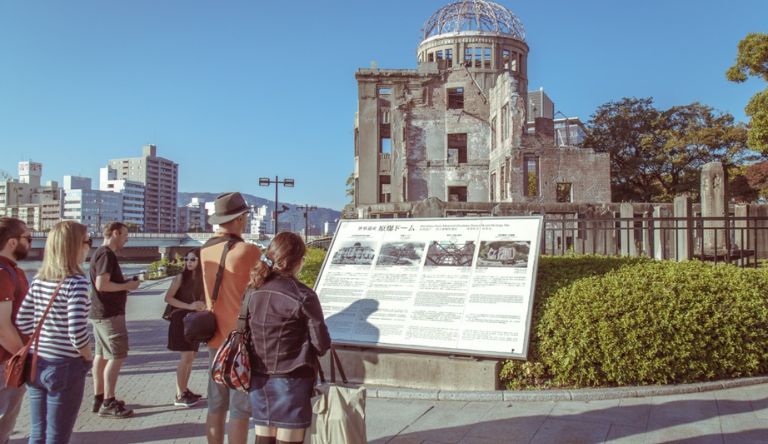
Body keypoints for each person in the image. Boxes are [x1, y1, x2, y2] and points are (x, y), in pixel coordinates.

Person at [246, 232, 331, 444]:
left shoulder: (252, 291)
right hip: (292, 378)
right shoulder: (304, 295)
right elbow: (321, 345)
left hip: (257, 375)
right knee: (289, 436)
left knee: (263, 436)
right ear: (297, 261)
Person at [16, 220, 93, 443]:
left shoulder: (40, 280)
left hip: (36, 362)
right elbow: (77, 332)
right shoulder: (76, 283)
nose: (89, 246)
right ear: (75, 247)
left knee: (38, 432)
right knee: (58, 436)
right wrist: (87, 356)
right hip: (65, 365)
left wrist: (47, 336)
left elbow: (22, 320)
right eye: (88, 241)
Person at [202, 192, 261, 444]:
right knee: (240, 407)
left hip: (214, 336)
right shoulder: (248, 251)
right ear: (240, 218)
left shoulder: (205, 250)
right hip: (240, 341)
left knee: (216, 404)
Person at [89, 221, 140, 418]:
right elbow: (103, 285)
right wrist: (127, 286)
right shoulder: (106, 254)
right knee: (117, 356)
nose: (127, 239)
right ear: (115, 233)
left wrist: (124, 283)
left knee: (101, 355)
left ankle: (99, 397)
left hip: (99, 313)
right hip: (110, 314)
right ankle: (109, 402)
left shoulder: (100, 253)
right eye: (125, 235)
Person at [0, 218, 32, 443]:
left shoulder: (11, 272)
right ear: (12, 242)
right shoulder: (3, 274)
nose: (30, 243)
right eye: (27, 238)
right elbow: (2, 328)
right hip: (6, 364)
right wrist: (25, 358)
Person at [164, 248, 206, 407]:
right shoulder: (180, 277)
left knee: (192, 356)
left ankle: (183, 389)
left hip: (193, 321)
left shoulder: (202, 279)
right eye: (187, 259)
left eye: (193, 259)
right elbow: (168, 298)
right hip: (180, 320)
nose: (189, 262)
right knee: (186, 357)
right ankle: (179, 395)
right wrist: (189, 305)